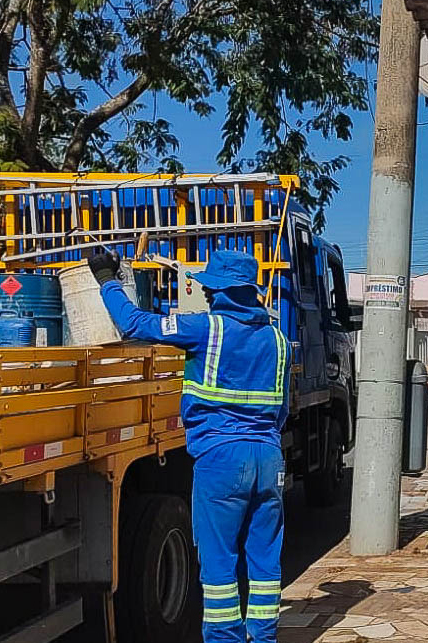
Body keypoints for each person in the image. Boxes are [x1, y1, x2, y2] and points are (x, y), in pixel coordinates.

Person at [88, 248, 289, 643]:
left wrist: (107, 278)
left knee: (219, 565)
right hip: (269, 458)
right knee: (265, 563)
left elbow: (133, 324)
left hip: (222, 459)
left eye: (211, 288)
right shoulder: (279, 340)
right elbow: (280, 411)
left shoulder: (206, 329)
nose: (207, 293)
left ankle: (225, 638)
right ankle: (263, 637)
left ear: (222, 291)